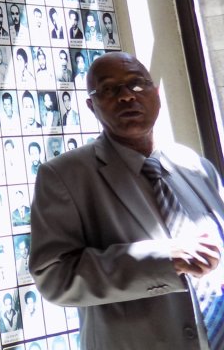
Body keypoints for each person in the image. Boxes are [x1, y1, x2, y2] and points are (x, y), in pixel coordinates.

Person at [31, 51, 224, 348]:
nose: (126, 96)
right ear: (91, 105)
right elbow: (54, 277)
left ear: (156, 94)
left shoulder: (195, 165)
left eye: (137, 83)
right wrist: (163, 258)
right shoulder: (64, 176)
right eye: (109, 89)